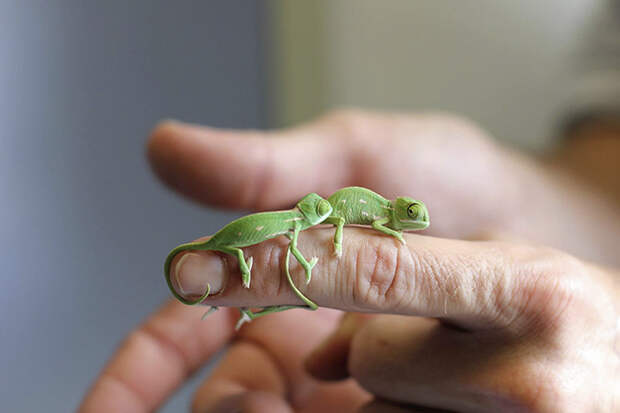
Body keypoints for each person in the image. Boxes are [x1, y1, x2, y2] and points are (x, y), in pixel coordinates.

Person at [77, 109, 619, 412]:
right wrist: (523, 199)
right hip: (329, 219)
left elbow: (385, 233)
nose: (412, 219)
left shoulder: (390, 221)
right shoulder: (377, 214)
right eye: (409, 212)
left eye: (410, 214)